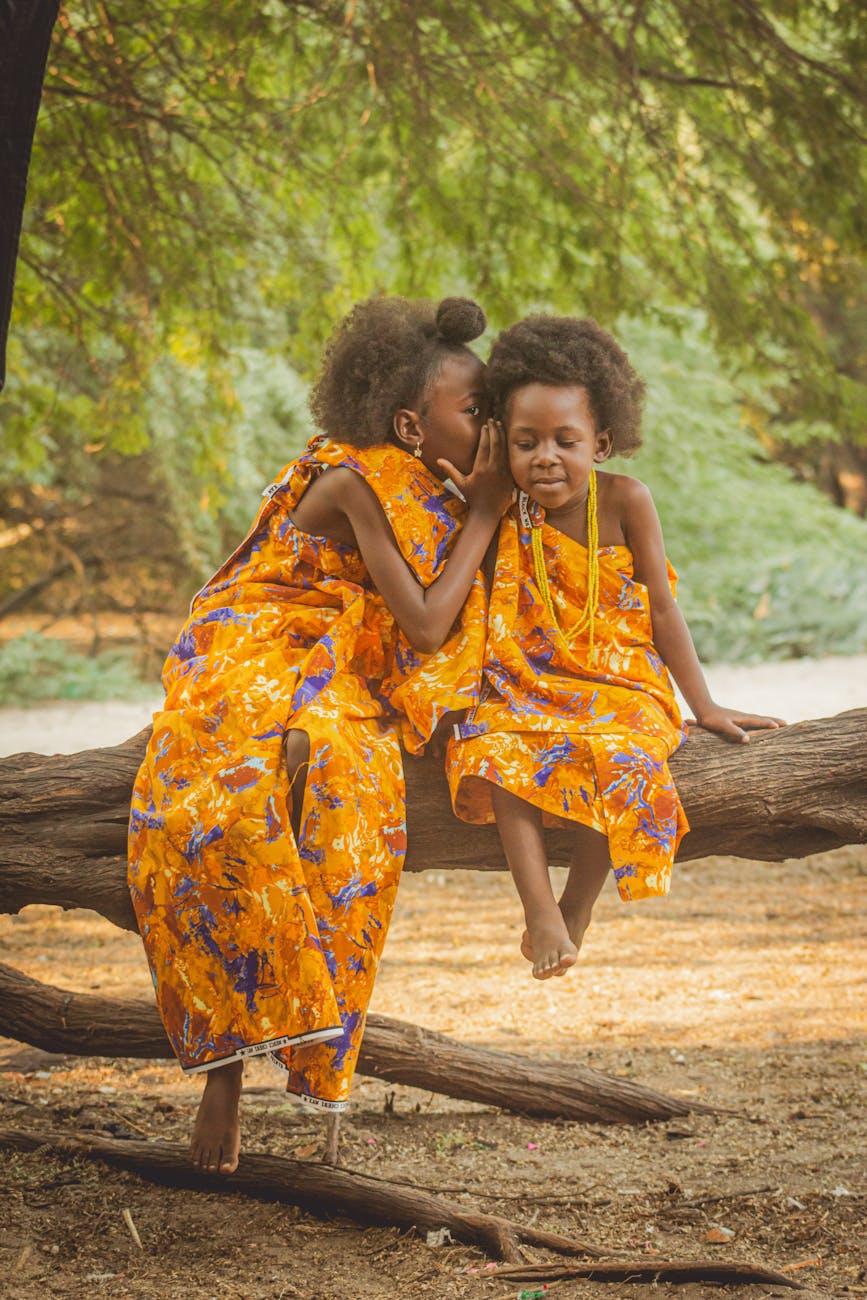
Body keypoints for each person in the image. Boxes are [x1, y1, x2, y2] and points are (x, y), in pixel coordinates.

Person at [129, 296, 510, 1174]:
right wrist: (485, 511)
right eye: (474, 411)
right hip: (257, 640)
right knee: (227, 805)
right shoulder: (353, 478)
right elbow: (421, 625)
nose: (489, 429)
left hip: (338, 654)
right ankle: (225, 1071)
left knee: (347, 772)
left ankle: (308, 1042)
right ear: (410, 424)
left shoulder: (434, 483)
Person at [446, 315, 784, 980]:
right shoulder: (501, 511)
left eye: (564, 440)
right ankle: (538, 908)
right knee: (494, 746)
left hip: (620, 680)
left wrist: (705, 705)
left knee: (622, 755)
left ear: (600, 442)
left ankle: (577, 905)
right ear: (502, 446)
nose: (545, 456)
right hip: (529, 678)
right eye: (525, 442)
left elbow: (661, 607)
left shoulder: (627, 501)